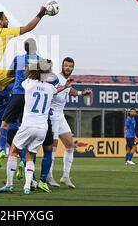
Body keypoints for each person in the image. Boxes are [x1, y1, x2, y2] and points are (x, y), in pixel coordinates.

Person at [0, 60, 74, 195]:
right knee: (30, 155)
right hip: (42, 128)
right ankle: (27, 186)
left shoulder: (28, 83)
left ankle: (9, 184)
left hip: (28, 125)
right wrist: (64, 86)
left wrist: (34, 66)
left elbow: (27, 74)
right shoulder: (50, 88)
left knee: (14, 151)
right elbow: (55, 90)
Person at [0, 4, 54, 91]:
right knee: (20, 74)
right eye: (6, 19)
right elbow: (28, 27)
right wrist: (41, 13)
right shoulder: (3, 32)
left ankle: (0, 90)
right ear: (0, 22)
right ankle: (26, 95)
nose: (8, 21)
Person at [0, 38, 42, 169]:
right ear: (35, 48)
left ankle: (2, 150)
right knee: (28, 128)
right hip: (31, 97)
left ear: (25, 48)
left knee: (5, 124)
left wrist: (18, 75)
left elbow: (9, 73)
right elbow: (45, 78)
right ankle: (24, 160)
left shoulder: (18, 59)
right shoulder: (41, 60)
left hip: (17, 94)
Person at [46, 57, 92, 189]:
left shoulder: (67, 81)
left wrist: (82, 93)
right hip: (52, 115)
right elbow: (52, 92)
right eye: (66, 66)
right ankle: (49, 176)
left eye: (70, 66)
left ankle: (65, 176)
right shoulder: (55, 77)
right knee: (52, 148)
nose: (68, 68)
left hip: (61, 116)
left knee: (70, 145)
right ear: (62, 66)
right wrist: (65, 86)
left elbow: (68, 90)